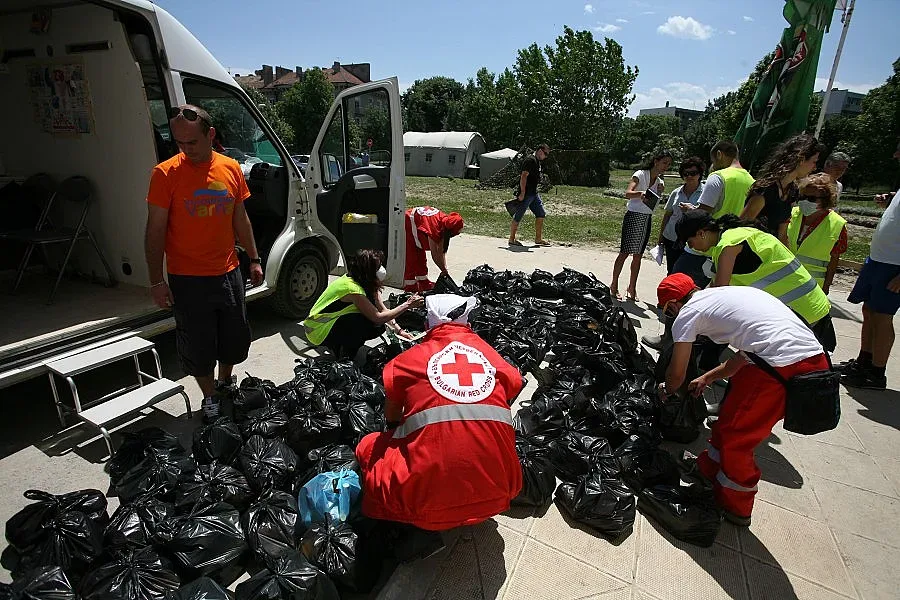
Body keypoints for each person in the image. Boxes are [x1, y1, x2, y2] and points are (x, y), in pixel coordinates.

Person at [656, 274, 828, 525]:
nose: (670, 315)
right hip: (804, 357)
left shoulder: (687, 314)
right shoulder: (723, 295)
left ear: (672, 304)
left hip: (782, 366)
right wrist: (708, 378)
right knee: (728, 419)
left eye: (667, 310)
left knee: (739, 437)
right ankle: (708, 468)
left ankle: (736, 506)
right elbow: (743, 355)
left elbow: (677, 373)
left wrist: (667, 390)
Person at [355, 294, 523, 531]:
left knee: (369, 446)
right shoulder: (489, 355)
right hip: (501, 492)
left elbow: (391, 414)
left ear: (427, 326)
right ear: (468, 324)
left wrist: (394, 433)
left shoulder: (407, 361)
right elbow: (515, 382)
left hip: (425, 508)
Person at [145, 104, 264, 420]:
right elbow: (154, 231)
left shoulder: (231, 168)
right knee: (198, 346)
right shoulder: (165, 174)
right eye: (179, 143)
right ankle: (209, 396)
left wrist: (254, 258)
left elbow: (240, 218)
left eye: (192, 143)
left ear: (210, 134)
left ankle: (225, 381)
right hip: (188, 278)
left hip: (228, 271)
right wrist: (156, 280)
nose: (185, 150)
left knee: (234, 338)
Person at [676, 210, 832, 342]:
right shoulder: (739, 232)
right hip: (815, 306)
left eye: (690, 242)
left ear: (701, 233)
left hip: (801, 314)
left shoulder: (728, 246)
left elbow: (719, 296)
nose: (691, 247)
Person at [839, 141, 900, 390]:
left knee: (883, 317)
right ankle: (864, 361)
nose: (895, 154)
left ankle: (877, 373)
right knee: (869, 311)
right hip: (878, 259)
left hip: (894, 266)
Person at [303, 249, 423, 360]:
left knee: (378, 323)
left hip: (331, 324)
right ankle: (344, 355)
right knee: (365, 323)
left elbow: (383, 310)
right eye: (377, 267)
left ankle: (342, 344)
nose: (381, 269)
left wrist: (399, 331)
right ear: (369, 271)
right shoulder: (352, 289)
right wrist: (407, 304)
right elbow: (378, 318)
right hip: (317, 331)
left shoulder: (365, 282)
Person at [611, 149, 673, 302]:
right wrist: (640, 194)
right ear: (656, 161)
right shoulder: (640, 174)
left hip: (646, 218)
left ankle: (632, 287)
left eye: (669, 164)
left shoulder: (660, 182)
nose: (666, 166)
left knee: (638, 255)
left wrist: (658, 194)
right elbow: (627, 193)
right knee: (625, 252)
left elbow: (654, 204)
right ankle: (614, 284)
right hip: (633, 216)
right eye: (664, 162)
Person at [741, 134, 825, 243]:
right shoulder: (765, 189)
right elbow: (741, 227)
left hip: (769, 254)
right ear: (802, 159)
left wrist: (790, 259)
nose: (815, 167)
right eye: (814, 161)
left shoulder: (792, 191)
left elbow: (782, 235)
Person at [786, 173, 848, 294]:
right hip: (783, 280)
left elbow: (834, 260)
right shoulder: (790, 214)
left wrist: (827, 286)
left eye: (811, 199)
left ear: (825, 200)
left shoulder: (838, 224)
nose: (805, 201)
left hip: (812, 286)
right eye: (802, 197)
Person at [657, 156, 706, 274]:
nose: (689, 176)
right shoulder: (676, 192)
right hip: (672, 237)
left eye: (693, 173)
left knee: (688, 274)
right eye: (686, 173)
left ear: (700, 174)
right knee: (672, 271)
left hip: (693, 240)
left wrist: (691, 211)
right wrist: (661, 235)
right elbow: (668, 214)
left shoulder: (705, 193)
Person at [403, 206, 464, 292]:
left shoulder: (444, 222)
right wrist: (443, 270)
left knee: (421, 254)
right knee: (412, 255)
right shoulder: (434, 228)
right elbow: (435, 254)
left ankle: (423, 281)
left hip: (418, 222)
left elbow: (441, 251)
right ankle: (410, 285)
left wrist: (444, 268)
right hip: (408, 220)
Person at [697, 140, 755, 219]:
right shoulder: (752, 180)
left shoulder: (717, 177)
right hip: (740, 230)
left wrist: (690, 210)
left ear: (719, 154)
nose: (713, 166)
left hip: (717, 229)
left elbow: (702, 213)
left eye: (713, 161)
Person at [509, 144, 552, 247]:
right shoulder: (530, 160)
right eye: (545, 154)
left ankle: (538, 239)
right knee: (518, 215)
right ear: (540, 151)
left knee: (541, 213)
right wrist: (522, 193)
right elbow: (523, 176)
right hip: (527, 194)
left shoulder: (537, 161)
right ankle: (511, 239)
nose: (545, 156)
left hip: (534, 193)